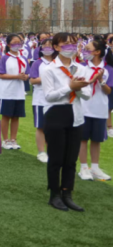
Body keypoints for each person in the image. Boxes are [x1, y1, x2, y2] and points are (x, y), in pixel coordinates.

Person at [40, 32, 96, 212]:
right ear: (56, 47)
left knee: (71, 159)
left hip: (76, 115)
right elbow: (49, 96)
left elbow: (87, 95)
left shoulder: (81, 68)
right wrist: (69, 87)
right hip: (56, 114)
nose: (70, 47)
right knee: (56, 158)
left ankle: (67, 193)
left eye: (73, 44)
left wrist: (78, 89)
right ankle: (54, 194)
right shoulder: (49, 69)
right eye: (65, 44)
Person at [78, 37, 111, 181]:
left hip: (99, 108)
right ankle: (84, 167)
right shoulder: (81, 67)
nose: (84, 52)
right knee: (83, 139)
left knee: (96, 140)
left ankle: (95, 168)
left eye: (87, 49)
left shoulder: (108, 69)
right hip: (84, 108)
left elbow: (108, 91)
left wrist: (101, 80)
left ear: (97, 52)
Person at [0, 34, 28, 150]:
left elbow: (27, 73)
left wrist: (25, 77)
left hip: (19, 92)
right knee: (6, 116)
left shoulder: (23, 58)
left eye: (19, 42)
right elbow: (1, 74)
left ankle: (13, 140)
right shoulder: (5, 58)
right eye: (14, 43)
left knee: (16, 116)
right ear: (9, 44)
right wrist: (16, 76)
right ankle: (5, 140)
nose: (17, 45)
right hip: (7, 92)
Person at [29, 39, 52, 163]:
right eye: (45, 46)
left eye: (50, 45)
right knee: (41, 126)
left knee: (53, 127)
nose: (47, 48)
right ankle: (41, 152)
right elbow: (32, 80)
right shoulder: (38, 63)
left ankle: (51, 151)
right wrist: (48, 78)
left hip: (54, 100)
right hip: (40, 99)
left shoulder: (57, 63)